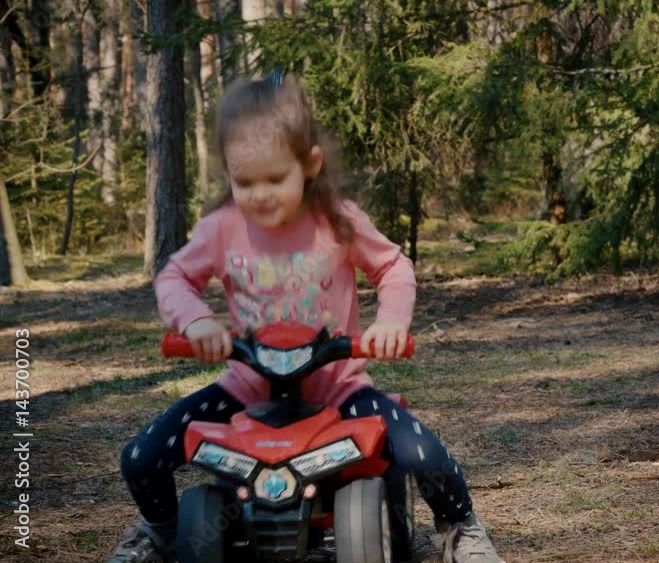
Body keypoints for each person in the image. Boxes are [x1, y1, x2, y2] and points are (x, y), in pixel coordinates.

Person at [108, 71, 505, 563]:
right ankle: (161, 532)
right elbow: (174, 278)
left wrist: (390, 322)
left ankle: (461, 529)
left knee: (421, 452)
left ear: (310, 164)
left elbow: (392, 267)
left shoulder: (336, 218)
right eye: (243, 181)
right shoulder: (221, 228)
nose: (260, 194)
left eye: (276, 179)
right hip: (246, 390)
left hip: (337, 389)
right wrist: (195, 321)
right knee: (142, 457)